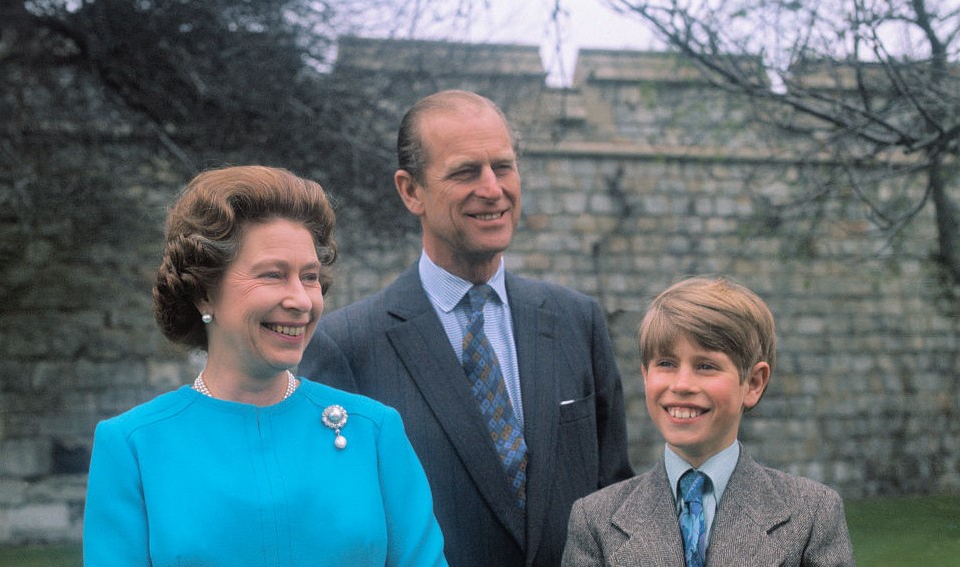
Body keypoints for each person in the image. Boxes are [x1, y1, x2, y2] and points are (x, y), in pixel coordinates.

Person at [298, 89, 634, 566]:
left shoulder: (577, 321)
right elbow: (339, 530)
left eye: (503, 166)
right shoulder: (347, 347)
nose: (493, 189)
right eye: (464, 172)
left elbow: (617, 500)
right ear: (410, 191)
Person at [83, 165, 446, 566]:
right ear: (204, 293)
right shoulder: (133, 445)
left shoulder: (374, 431)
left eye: (309, 277)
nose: (301, 300)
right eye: (273, 275)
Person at [561, 276, 856, 566]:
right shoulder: (595, 520)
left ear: (753, 383)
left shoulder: (812, 514)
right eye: (666, 364)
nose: (682, 384)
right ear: (645, 375)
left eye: (706, 366)